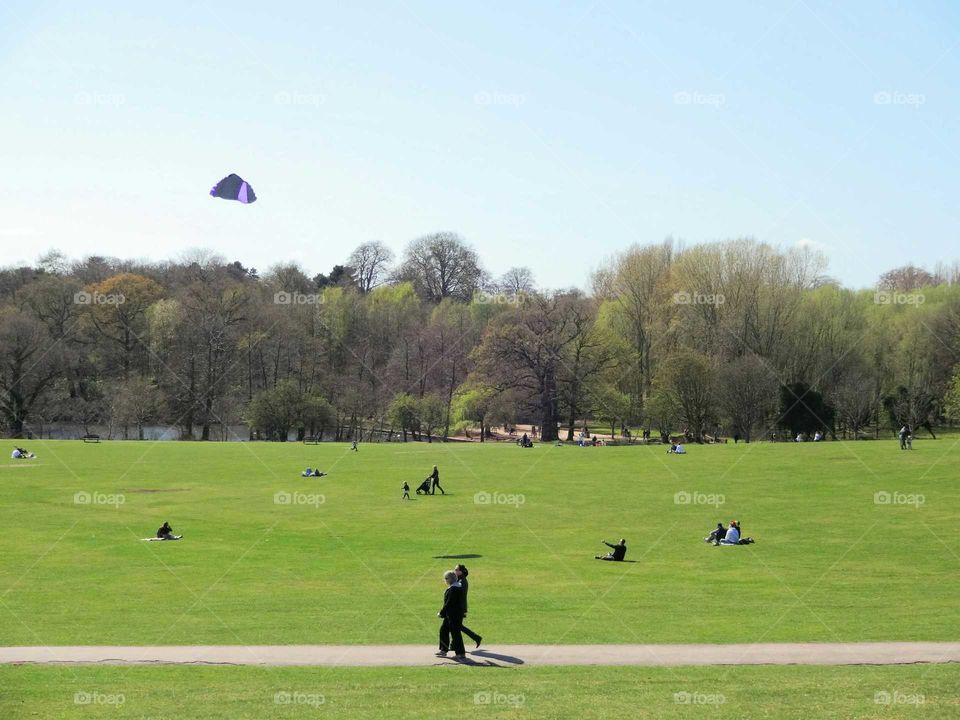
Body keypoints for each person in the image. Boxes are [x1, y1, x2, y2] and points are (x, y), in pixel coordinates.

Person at [436, 570, 466, 658]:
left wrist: (441, 613)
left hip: (454, 616)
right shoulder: (456, 587)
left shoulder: (454, 589)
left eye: (446, 578)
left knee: (455, 633)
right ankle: (443, 650)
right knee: (443, 630)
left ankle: (460, 653)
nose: (445, 580)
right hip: (451, 615)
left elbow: (448, 603)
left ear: (450, 579)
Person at [454, 564, 482, 648]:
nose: (454, 571)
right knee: (456, 626)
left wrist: (463, 610)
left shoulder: (461, 582)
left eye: (456, 570)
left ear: (461, 572)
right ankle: (453, 645)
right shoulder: (460, 580)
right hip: (460, 607)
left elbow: (460, 596)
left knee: (457, 626)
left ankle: (476, 637)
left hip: (459, 608)